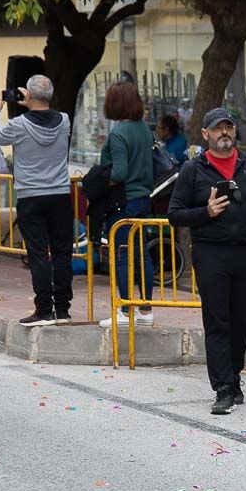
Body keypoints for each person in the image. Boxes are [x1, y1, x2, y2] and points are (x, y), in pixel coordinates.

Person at [168, 107, 246, 414]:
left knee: (241, 320)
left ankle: (234, 375)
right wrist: (206, 212)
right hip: (211, 253)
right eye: (217, 129)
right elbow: (174, 214)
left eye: (228, 127)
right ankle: (223, 388)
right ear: (205, 134)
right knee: (217, 320)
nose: (224, 133)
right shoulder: (193, 170)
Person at [0, 77, 73, 326]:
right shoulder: (64, 121)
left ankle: (44, 309)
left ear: (29, 96)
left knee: (38, 254)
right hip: (59, 194)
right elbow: (45, 118)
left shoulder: (19, 125)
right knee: (62, 253)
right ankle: (63, 310)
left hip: (30, 196)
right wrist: (32, 103)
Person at [98, 81, 156, 328]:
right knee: (141, 253)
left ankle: (123, 310)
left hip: (124, 201)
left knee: (121, 255)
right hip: (143, 199)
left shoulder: (119, 133)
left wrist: (100, 181)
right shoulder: (144, 129)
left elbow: (119, 172)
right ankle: (145, 309)